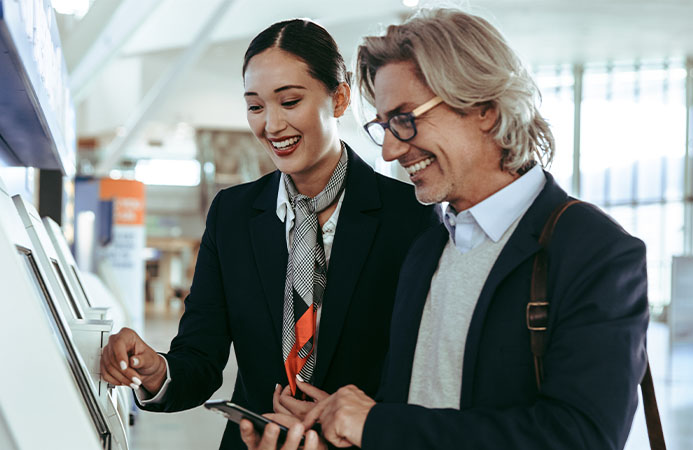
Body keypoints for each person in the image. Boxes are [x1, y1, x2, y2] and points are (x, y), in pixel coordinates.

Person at [243, 8, 650, 450]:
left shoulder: (596, 252)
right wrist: (333, 436)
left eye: (404, 119)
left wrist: (376, 425)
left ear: (485, 110)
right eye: (384, 127)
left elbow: (582, 438)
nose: (392, 151)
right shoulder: (428, 244)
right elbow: (416, 414)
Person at [99, 19, 439, 449]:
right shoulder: (233, 215)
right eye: (255, 107)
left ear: (339, 97)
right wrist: (156, 372)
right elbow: (201, 356)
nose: (272, 126)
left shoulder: (409, 216)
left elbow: (419, 376)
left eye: (289, 101)